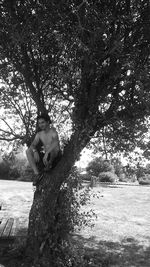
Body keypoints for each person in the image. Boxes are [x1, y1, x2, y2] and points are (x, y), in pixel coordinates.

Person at [26, 113, 61, 185]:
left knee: (53, 148)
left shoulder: (53, 132)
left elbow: (55, 142)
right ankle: (37, 174)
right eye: (39, 123)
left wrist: (47, 152)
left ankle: (49, 165)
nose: (41, 125)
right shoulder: (39, 134)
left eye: (43, 122)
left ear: (48, 122)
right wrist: (35, 151)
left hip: (55, 157)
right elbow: (33, 145)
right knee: (28, 151)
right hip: (46, 157)